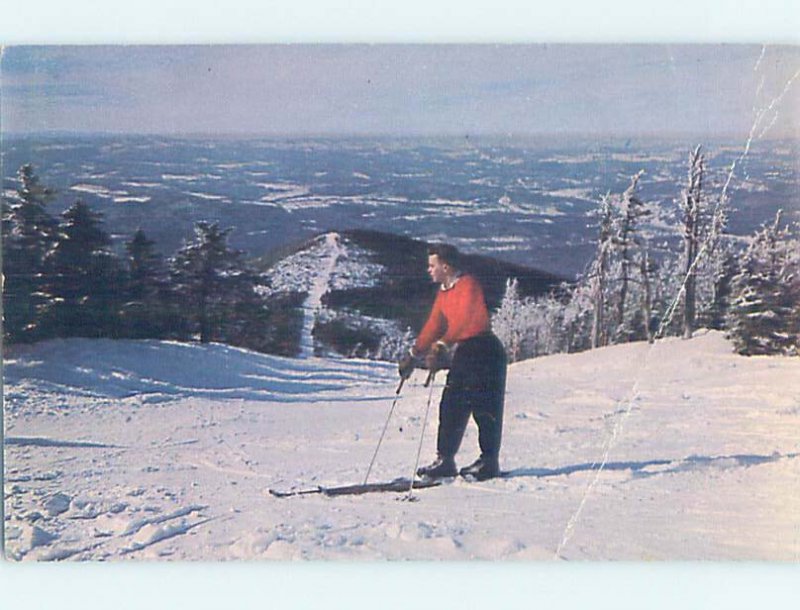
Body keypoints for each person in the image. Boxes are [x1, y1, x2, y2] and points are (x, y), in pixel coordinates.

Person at [398, 244, 507, 481]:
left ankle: (489, 462)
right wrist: (414, 353)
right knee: (452, 404)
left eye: (432, 265)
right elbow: (434, 324)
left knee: (484, 408)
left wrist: (442, 344)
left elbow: (466, 320)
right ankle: (445, 460)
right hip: (466, 352)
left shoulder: (469, 285)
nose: (429, 270)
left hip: (485, 350)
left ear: (445, 267)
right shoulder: (444, 292)